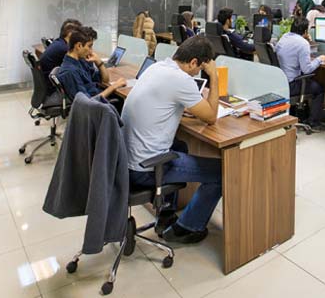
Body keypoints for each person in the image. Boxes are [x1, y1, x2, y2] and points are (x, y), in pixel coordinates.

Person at [123, 36, 221, 244]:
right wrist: (214, 76)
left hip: (127, 161)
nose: (197, 73)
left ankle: (166, 213)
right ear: (193, 62)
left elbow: (165, 101)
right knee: (221, 172)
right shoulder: (181, 80)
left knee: (181, 145)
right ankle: (187, 227)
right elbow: (211, 117)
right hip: (145, 169)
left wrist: (182, 107)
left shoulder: (157, 68)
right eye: (199, 69)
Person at [274, 17, 325, 131]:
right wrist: (320, 59)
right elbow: (307, 69)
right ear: (305, 31)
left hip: (281, 82)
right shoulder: (302, 43)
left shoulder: (284, 37)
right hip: (292, 85)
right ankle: (313, 122)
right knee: (320, 88)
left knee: (311, 83)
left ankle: (302, 115)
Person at [57, 26, 126, 102]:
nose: (91, 51)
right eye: (89, 46)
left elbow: (105, 80)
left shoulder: (80, 61)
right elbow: (87, 103)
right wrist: (114, 86)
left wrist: (99, 62)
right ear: (79, 46)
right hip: (96, 105)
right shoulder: (70, 72)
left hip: (97, 96)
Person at [40, 18, 82, 83]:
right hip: (52, 83)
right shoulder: (64, 49)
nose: (81, 37)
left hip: (46, 80)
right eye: (79, 34)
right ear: (70, 34)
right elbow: (79, 67)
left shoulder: (59, 42)